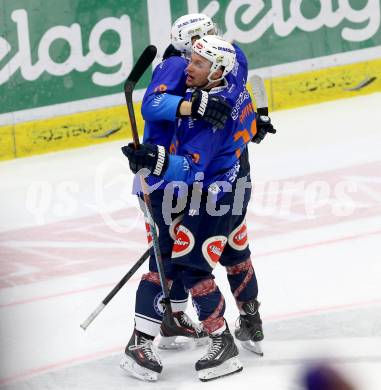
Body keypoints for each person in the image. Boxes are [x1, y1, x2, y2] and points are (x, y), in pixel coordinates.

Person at [121, 35, 266, 382]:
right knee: (231, 249)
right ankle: (249, 318)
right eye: (191, 55)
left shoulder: (210, 116)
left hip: (204, 194)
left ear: (216, 71)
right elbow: (241, 60)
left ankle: (214, 341)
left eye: (198, 62)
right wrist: (257, 120)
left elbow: (189, 165)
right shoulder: (234, 73)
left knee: (185, 264)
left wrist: (151, 159)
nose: (188, 65)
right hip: (233, 186)